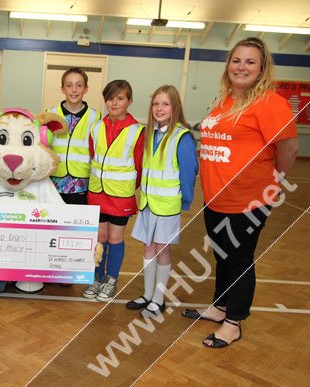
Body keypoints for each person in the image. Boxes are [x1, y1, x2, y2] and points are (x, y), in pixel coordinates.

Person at [182, 37, 298, 348]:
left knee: (239, 261)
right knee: (223, 256)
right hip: (216, 197)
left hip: (249, 200)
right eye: (236, 60)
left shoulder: (271, 103)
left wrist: (276, 178)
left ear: (262, 69)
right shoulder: (225, 101)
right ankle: (220, 307)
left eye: (249, 61)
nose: (241, 66)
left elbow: (289, 146)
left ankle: (233, 323)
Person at [126, 85, 198, 318]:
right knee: (147, 248)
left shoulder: (182, 137)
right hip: (147, 203)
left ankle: (159, 299)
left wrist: (184, 201)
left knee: (161, 250)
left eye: (165, 104)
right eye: (156, 104)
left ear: (175, 107)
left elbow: (189, 173)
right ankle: (147, 295)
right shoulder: (149, 133)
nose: (159, 108)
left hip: (167, 205)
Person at [84, 80, 144, 302]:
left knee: (115, 238)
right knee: (100, 237)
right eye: (111, 98)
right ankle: (97, 277)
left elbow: (139, 166)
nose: (114, 102)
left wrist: (124, 186)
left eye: (120, 98)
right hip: (97, 192)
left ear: (129, 101)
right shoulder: (96, 127)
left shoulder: (137, 131)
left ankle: (111, 280)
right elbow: (93, 156)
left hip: (120, 196)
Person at [48, 67, 99, 205]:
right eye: (69, 85)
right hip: (54, 182)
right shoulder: (50, 115)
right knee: (53, 223)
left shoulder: (96, 118)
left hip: (82, 184)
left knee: (78, 225)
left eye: (79, 85)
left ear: (86, 89)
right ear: (63, 89)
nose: (74, 90)